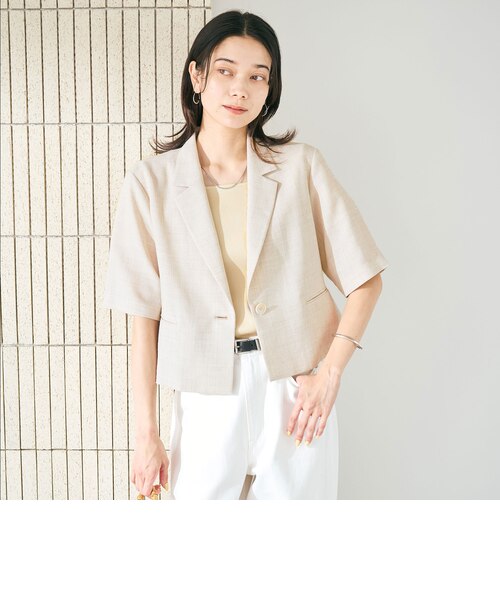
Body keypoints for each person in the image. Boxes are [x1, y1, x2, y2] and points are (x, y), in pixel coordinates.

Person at [102, 10, 389, 500]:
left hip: (292, 389)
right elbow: (142, 317)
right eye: (226, 71)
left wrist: (329, 375)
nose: (241, 89)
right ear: (197, 76)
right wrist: (146, 434)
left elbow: (366, 279)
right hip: (205, 391)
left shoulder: (299, 168)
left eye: (258, 76)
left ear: (270, 88)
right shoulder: (151, 184)